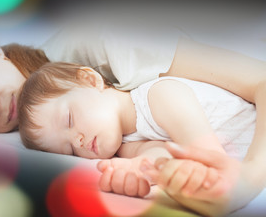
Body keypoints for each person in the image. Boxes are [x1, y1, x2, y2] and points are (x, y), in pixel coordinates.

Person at [0, 27, 266, 215]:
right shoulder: (50, 137)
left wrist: (248, 179)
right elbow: (160, 157)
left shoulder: (102, 46)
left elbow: (260, 80)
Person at [17, 61, 257, 216]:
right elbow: (160, 159)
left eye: (69, 120)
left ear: (91, 81)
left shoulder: (161, 95)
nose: (78, 141)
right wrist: (134, 173)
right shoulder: (126, 146)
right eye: (69, 149)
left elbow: (208, 156)